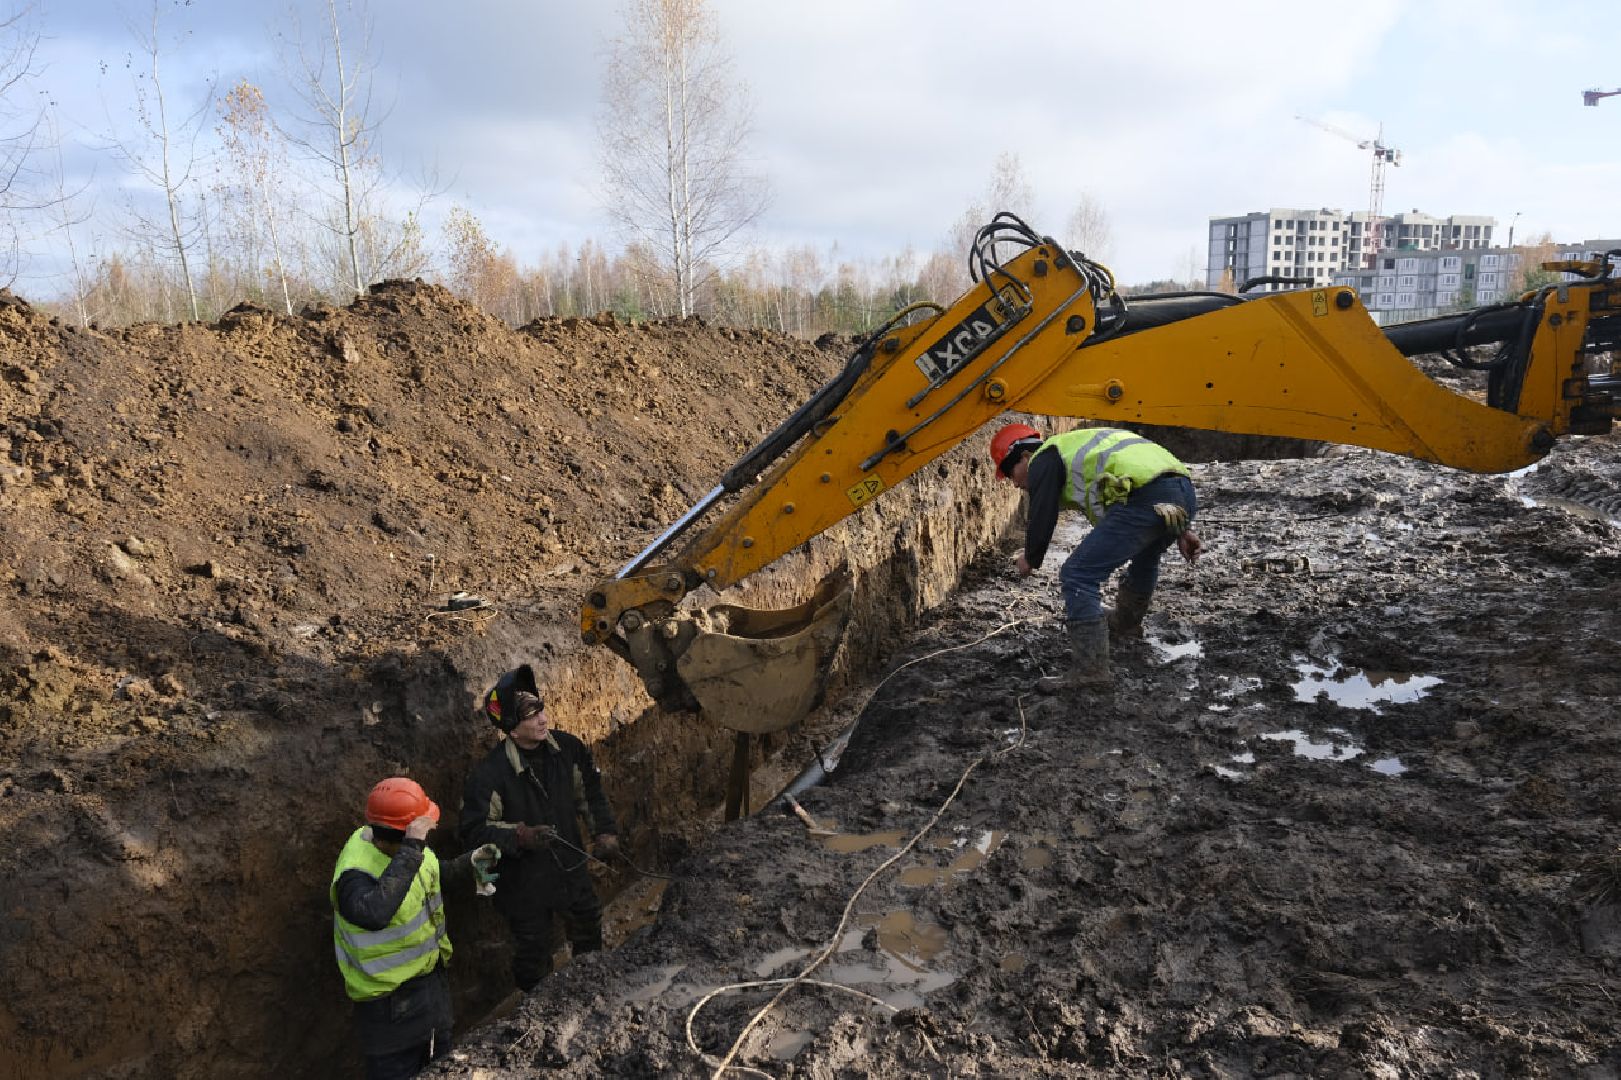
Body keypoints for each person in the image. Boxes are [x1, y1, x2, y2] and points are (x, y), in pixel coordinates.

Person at [990, 422, 1203, 693]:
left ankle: (1090, 671)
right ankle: (1126, 623)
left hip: (1147, 497)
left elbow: (1042, 514)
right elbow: (1155, 479)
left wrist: (1031, 558)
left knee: (1077, 575)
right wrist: (1181, 528)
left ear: (1024, 457)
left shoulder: (1044, 457)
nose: (1016, 483)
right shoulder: (1077, 447)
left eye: (1010, 473)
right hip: (1181, 491)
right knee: (1147, 557)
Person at [459, 664, 621, 991]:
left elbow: (589, 794)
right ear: (511, 728)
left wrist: (604, 833)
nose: (542, 720)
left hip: (570, 867)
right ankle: (539, 1014)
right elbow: (473, 831)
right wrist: (521, 836)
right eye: (530, 717)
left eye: (541, 710)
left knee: (588, 926)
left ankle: (593, 991)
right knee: (533, 953)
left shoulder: (568, 750)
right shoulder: (490, 776)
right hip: (523, 883)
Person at [330, 777, 500, 1080]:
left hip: (430, 992)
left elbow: (433, 873)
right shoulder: (355, 874)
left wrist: (468, 865)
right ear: (403, 833)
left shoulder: (408, 852)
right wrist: (411, 847)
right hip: (389, 1013)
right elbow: (374, 912)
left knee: (442, 1070)